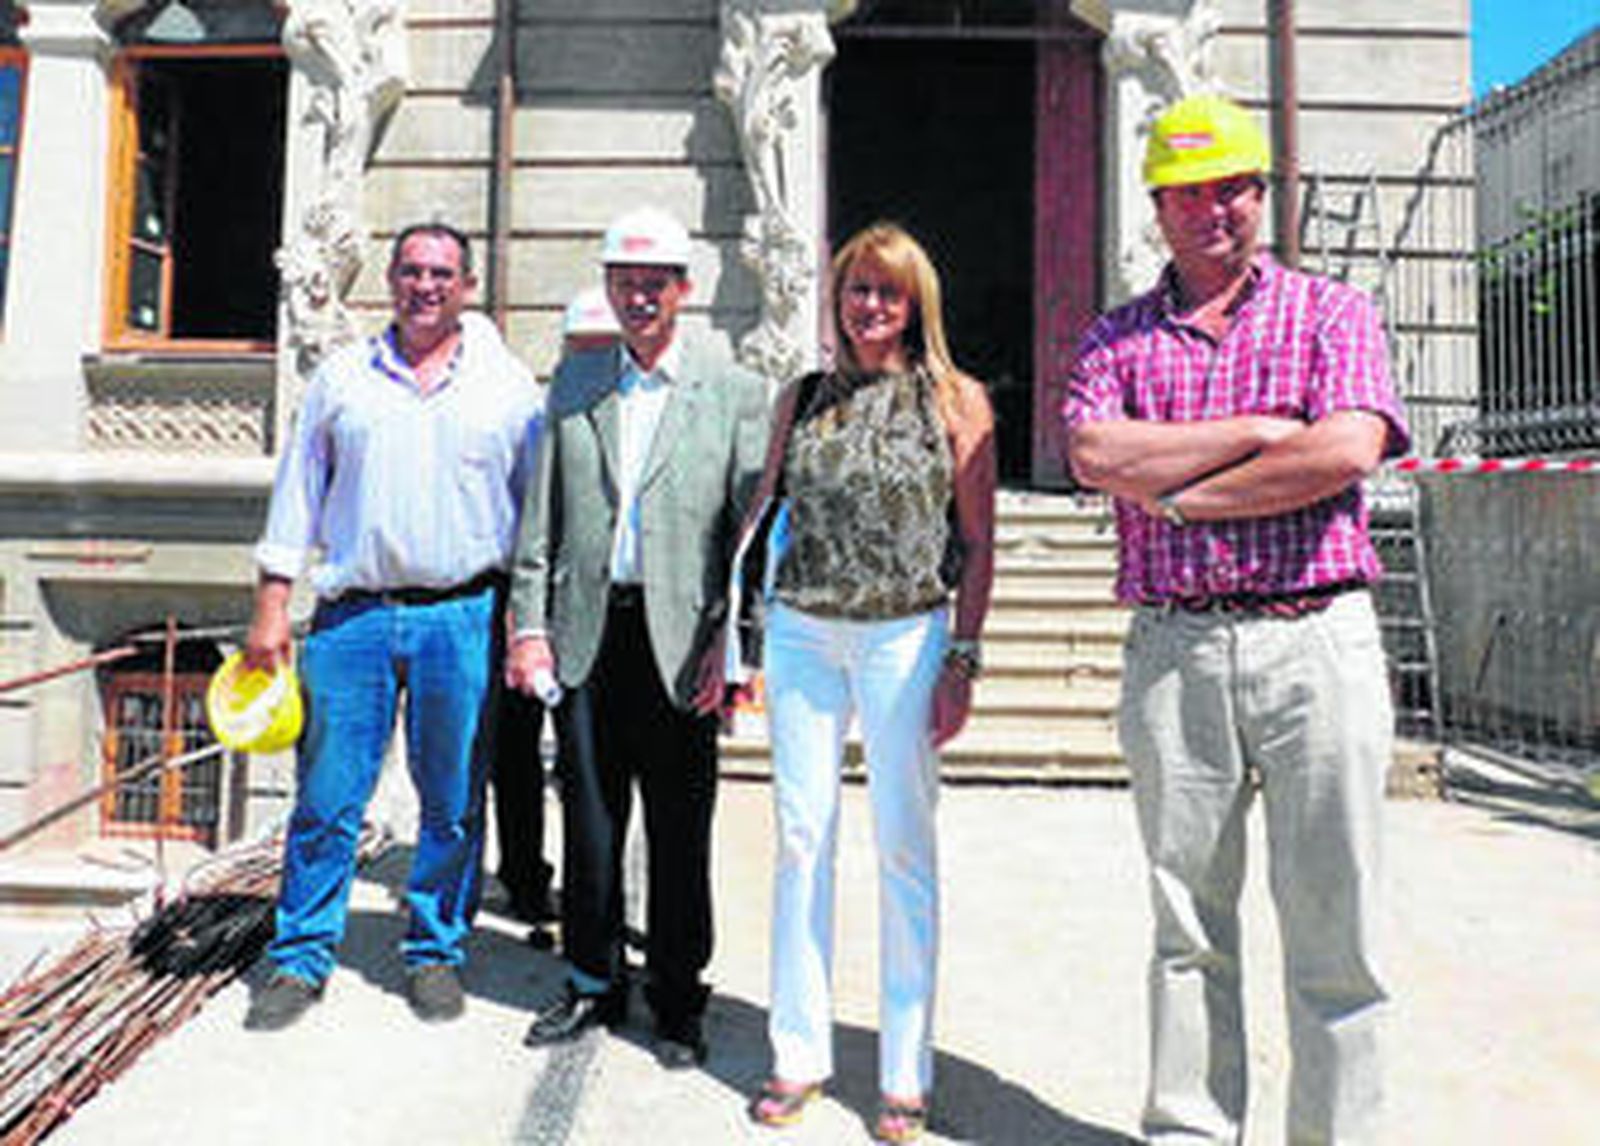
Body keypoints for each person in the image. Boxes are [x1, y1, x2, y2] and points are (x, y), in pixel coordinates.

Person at [1062, 94, 1410, 1145]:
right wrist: (1262, 432)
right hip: (1176, 648)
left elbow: (1346, 450)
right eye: (1192, 192)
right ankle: (1189, 1132)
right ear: (1157, 206)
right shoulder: (1114, 336)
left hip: (1318, 642)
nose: (1216, 209)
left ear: (1263, 195)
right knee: (1185, 926)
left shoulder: (1332, 313)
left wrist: (1176, 488)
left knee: (1335, 932)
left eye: (1236, 188)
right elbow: (1091, 456)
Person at [242, 222, 542, 1031]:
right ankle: (301, 956)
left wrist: (526, 623)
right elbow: (296, 494)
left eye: (442, 273)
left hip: (464, 617)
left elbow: (533, 519)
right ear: (390, 280)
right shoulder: (343, 379)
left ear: (467, 285)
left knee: (451, 799)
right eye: (411, 271)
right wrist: (272, 607)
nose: (425, 286)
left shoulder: (508, 389)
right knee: (328, 796)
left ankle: (435, 951)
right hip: (353, 620)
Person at [745, 223, 996, 1144]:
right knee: (801, 840)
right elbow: (765, 513)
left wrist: (963, 658)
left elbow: (977, 543)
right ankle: (799, 1051)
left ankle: (904, 1070)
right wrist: (735, 639)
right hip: (805, 632)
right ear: (838, 298)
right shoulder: (804, 397)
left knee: (902, 846)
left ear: (915, 302)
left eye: (889, 292)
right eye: (857, 290)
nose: (871, 307)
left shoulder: (958, 402)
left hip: (905, 634)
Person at [506, 206, 769, 1069]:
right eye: (625, 281)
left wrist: (738, 652)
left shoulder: (730, 393)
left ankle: (679, 999)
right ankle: (591, 982)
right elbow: (539, 521)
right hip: (588, 635)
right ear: (609, 286)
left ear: (684, 291)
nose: (639, 297)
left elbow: (750, 537)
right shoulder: (577, 385)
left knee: (680, 826)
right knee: (588, 822)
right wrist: (529, 629)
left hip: (680, 645)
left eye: (655, 283)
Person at [491, 286, 621, 943]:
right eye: (585, 348)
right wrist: (521, 617)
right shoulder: (533, 418)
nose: (595, 360)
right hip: (519, 607)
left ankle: (595, 892)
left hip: (593, 615)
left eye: (607, 348)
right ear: (565, 350)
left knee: (589, 766)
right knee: (512, 753)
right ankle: (523, 877)